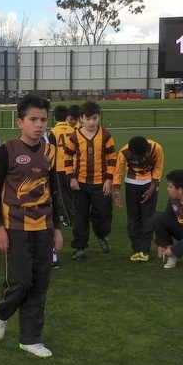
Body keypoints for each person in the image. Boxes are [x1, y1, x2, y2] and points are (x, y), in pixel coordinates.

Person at [0, 94, 63, 358]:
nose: (39, 124)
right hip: (15, 228)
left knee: (40, 283)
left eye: (43, 119)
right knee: (20, 282)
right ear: (20, 121)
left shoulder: (51, 152)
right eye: (33, 119)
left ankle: (30, 339)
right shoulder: (7, 150)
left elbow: (55, 191)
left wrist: (57, 228)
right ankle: (1, 310)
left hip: (44, 228)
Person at [63, 100, 116, 261]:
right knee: (80, 217)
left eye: (94, 118)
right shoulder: (75, 136)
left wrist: (109, 180)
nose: (91, 122)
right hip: (80, 184)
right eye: (88, 118)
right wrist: (71, 177)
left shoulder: (105, 134)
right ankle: (79, 247)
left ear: (98, 118)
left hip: (101, 184)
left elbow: (112, 158)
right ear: (81, 119)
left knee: (104, 215)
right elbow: (66, 156)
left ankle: (101, 235)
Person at [113, 136, 165, 262]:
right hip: (131, 184)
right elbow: (117, 171)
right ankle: (136, 250)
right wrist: (116, 192)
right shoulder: (124, 152)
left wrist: (152, 188)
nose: (141, 159)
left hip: (150, 183)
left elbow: (158, 168)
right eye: (138, 157)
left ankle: (144, 251)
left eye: (143, 155)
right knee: (133, 218)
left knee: (148, 217)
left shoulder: (156, 148)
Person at [48, 105, 76, 228]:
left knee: (63, 195)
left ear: (54, 117)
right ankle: (76, 216)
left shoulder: (53, 131)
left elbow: (52, 151)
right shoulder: (72, 130)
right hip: (73, 165)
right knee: (73, 194)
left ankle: (69, 219)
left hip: (60, 166)